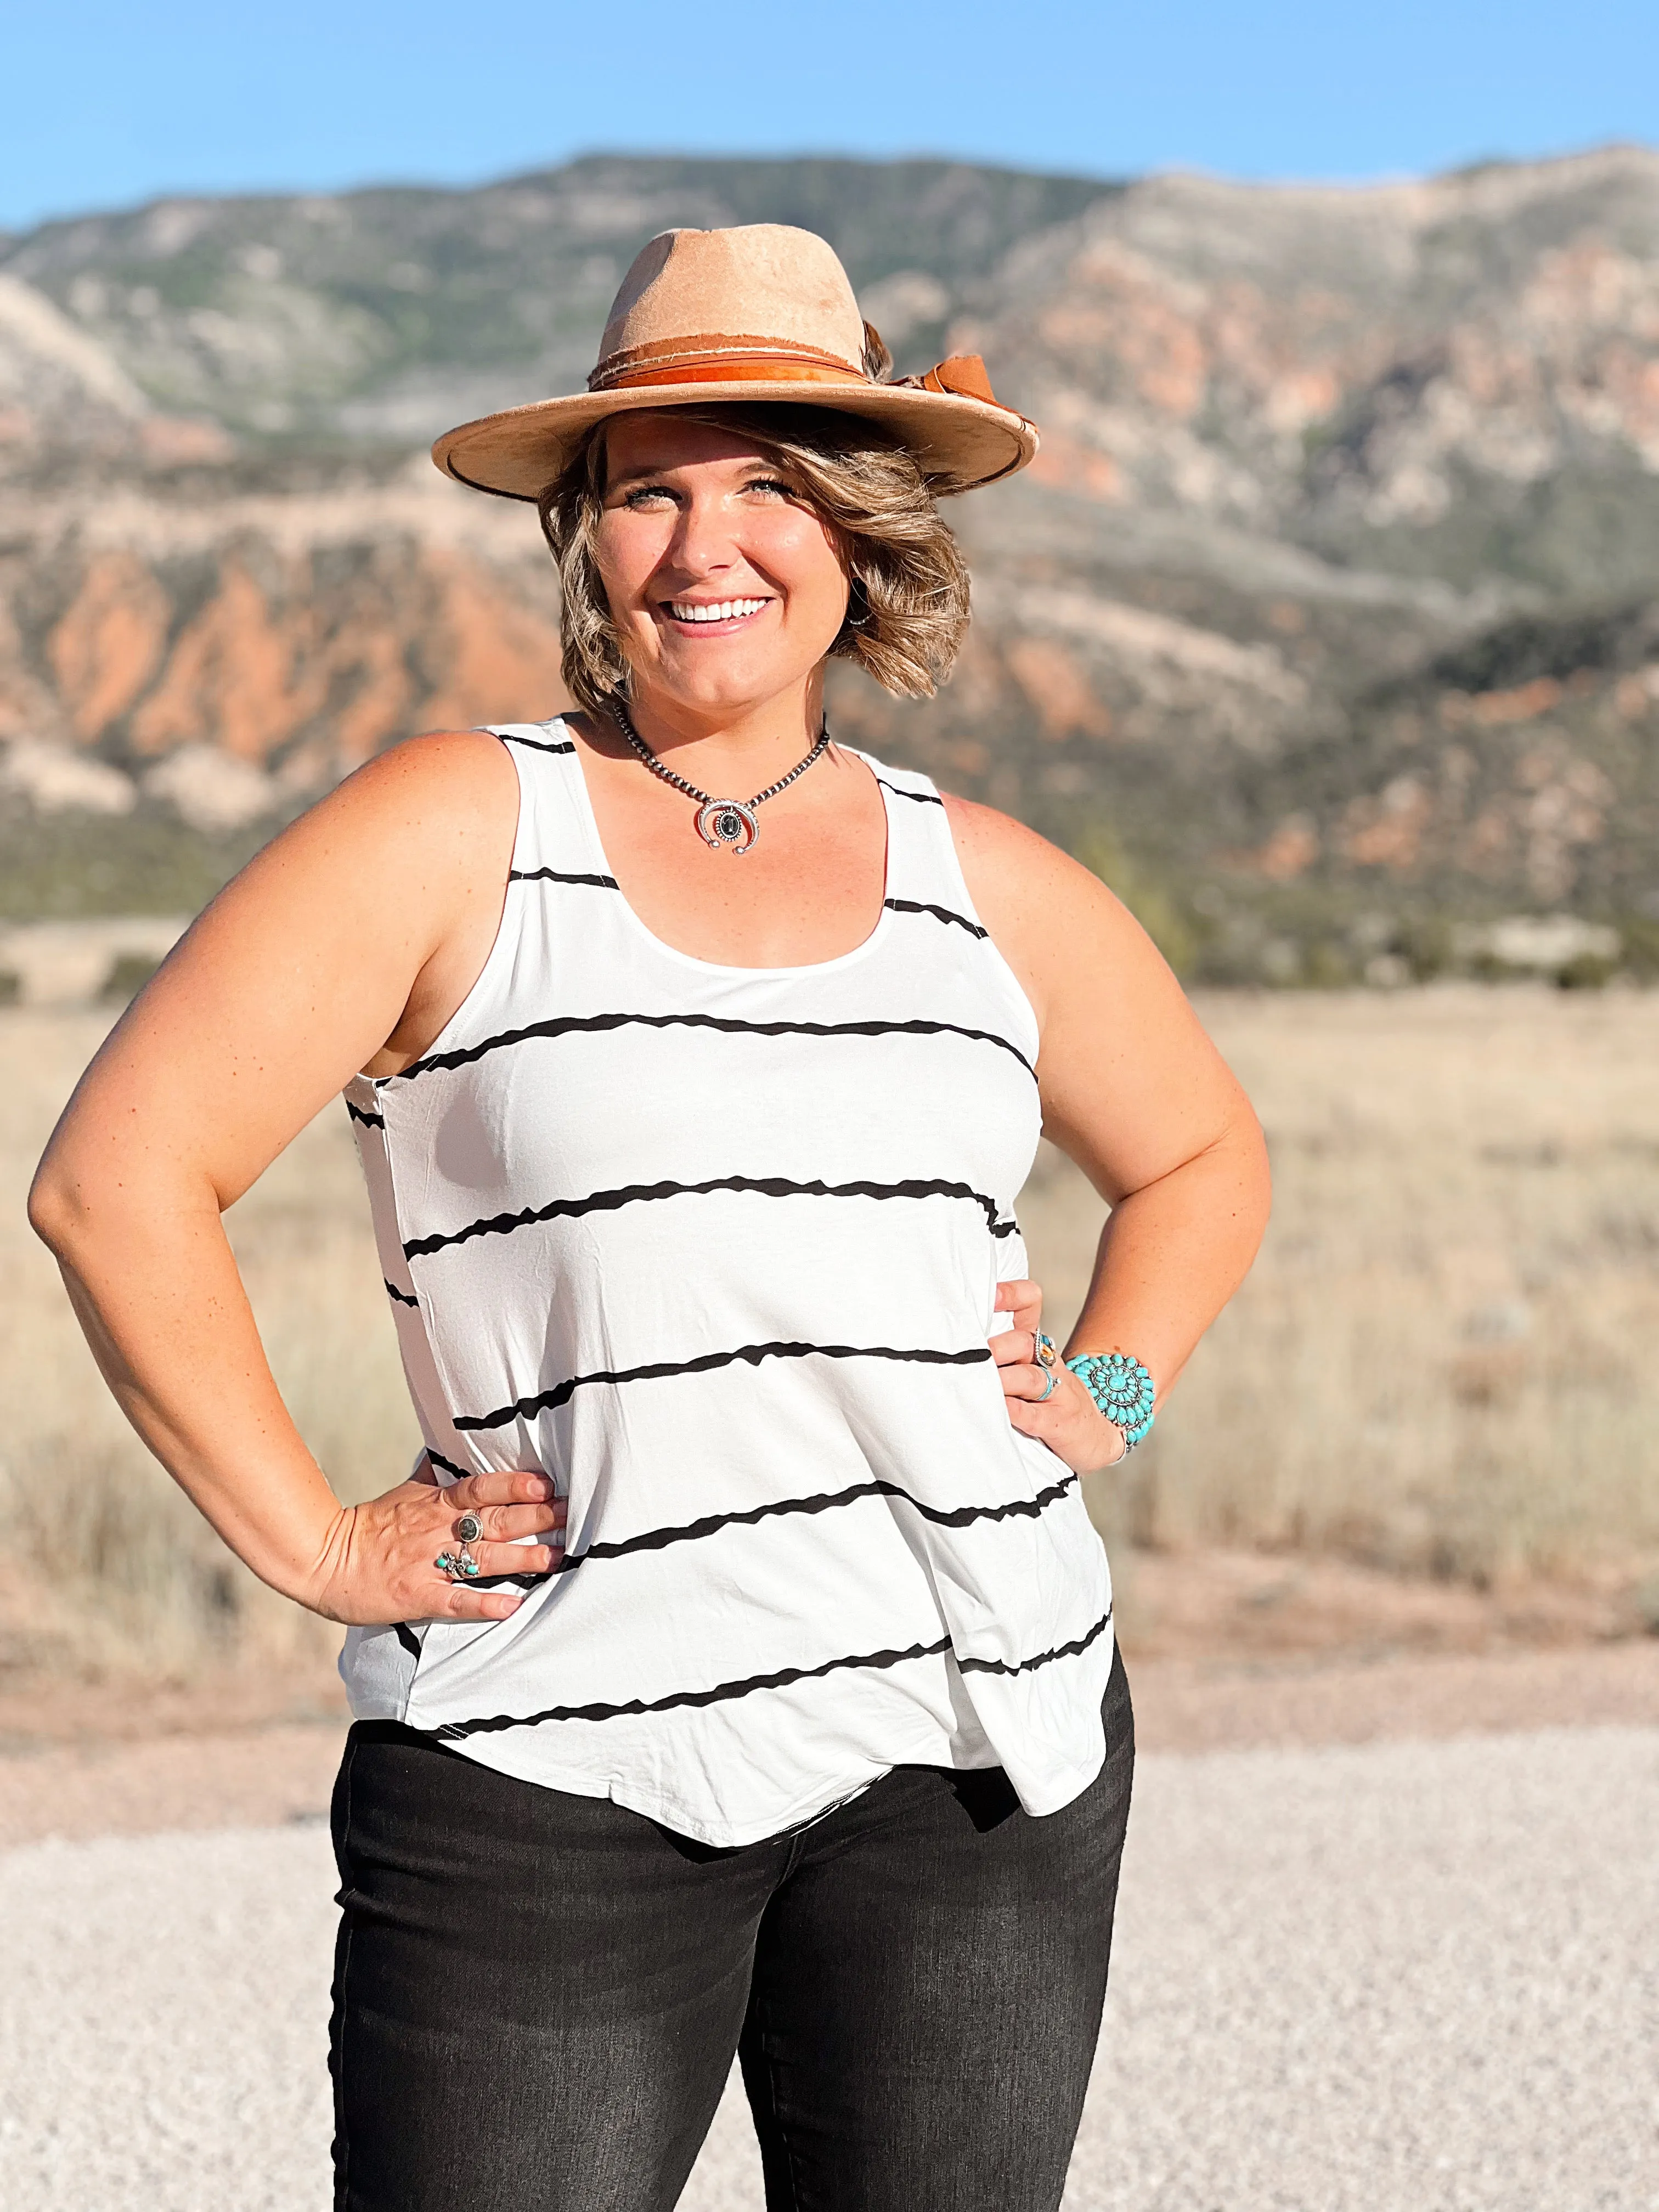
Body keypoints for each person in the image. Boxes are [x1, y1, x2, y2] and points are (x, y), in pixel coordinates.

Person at [31, 225, 1271, 2212]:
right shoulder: (455, 828)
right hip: (554, 1772)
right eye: (649, 490)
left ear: (861, 526)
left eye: (771, 482)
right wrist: (321, 1543)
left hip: (977, 1750)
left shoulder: (990, 882)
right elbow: (113, 1183)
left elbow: (1206, 1156)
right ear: (587, 543)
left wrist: (1112, 1386)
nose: (709, 545)